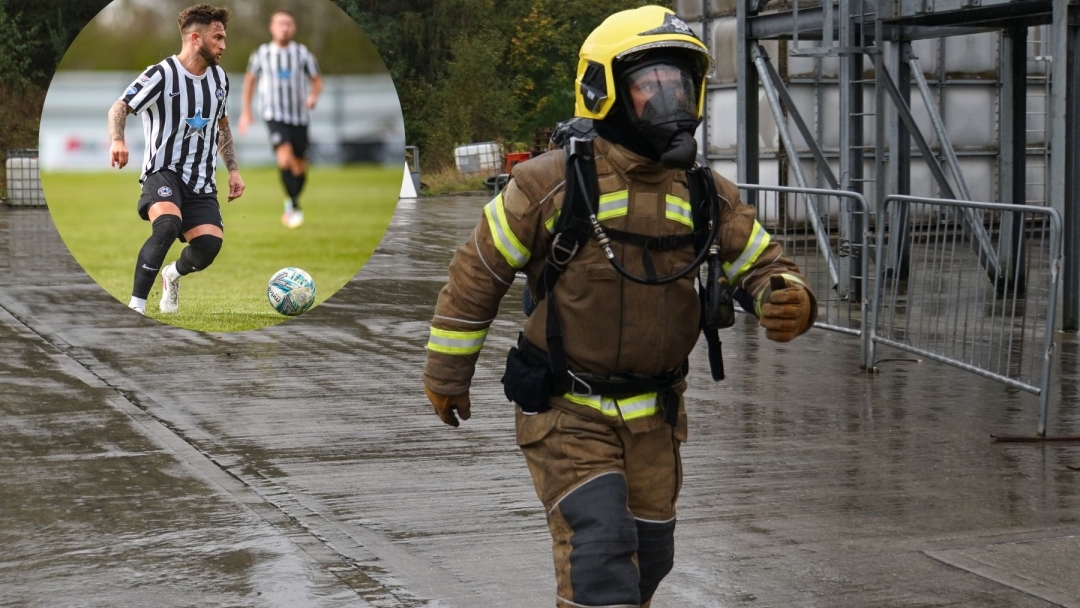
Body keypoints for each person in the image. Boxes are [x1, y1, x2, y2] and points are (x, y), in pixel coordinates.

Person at [422, 6, 817, 607]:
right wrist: (447, 372)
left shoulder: (705, 194)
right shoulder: (545, 184)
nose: (668, 101)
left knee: (649, 558)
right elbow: (477, 273)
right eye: (649, 85)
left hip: (655, 419)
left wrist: (789, 297)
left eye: (678, 85)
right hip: (567, 412)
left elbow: (764, 264)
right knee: (602, 553)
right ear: (602, 91)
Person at [110, 4, 244, 316]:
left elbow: (222, 126)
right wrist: (117, 139)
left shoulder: (221, 80)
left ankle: (171, 275)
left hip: (201, 181)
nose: (224, 45)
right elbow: (119, 107)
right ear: (196, 38)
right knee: (168, 225)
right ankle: (137, 306)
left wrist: (234, 171)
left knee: (209, 246)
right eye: (218, 38)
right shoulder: (160, 75)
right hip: (163, 172)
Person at [238, 9, 322, 229]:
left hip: (299, 116)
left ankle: (293, 201)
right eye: (280, 24)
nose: (284, 28)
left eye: (288, 24)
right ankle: (292, 206)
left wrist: (313, 97)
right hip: (274, 114)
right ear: (272, 28)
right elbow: (250, 81)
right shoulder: (262, 53)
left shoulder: (303, 53)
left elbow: (317, 81)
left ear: (293, 28)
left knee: (299, 166)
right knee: (285, 159)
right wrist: (246, 112)